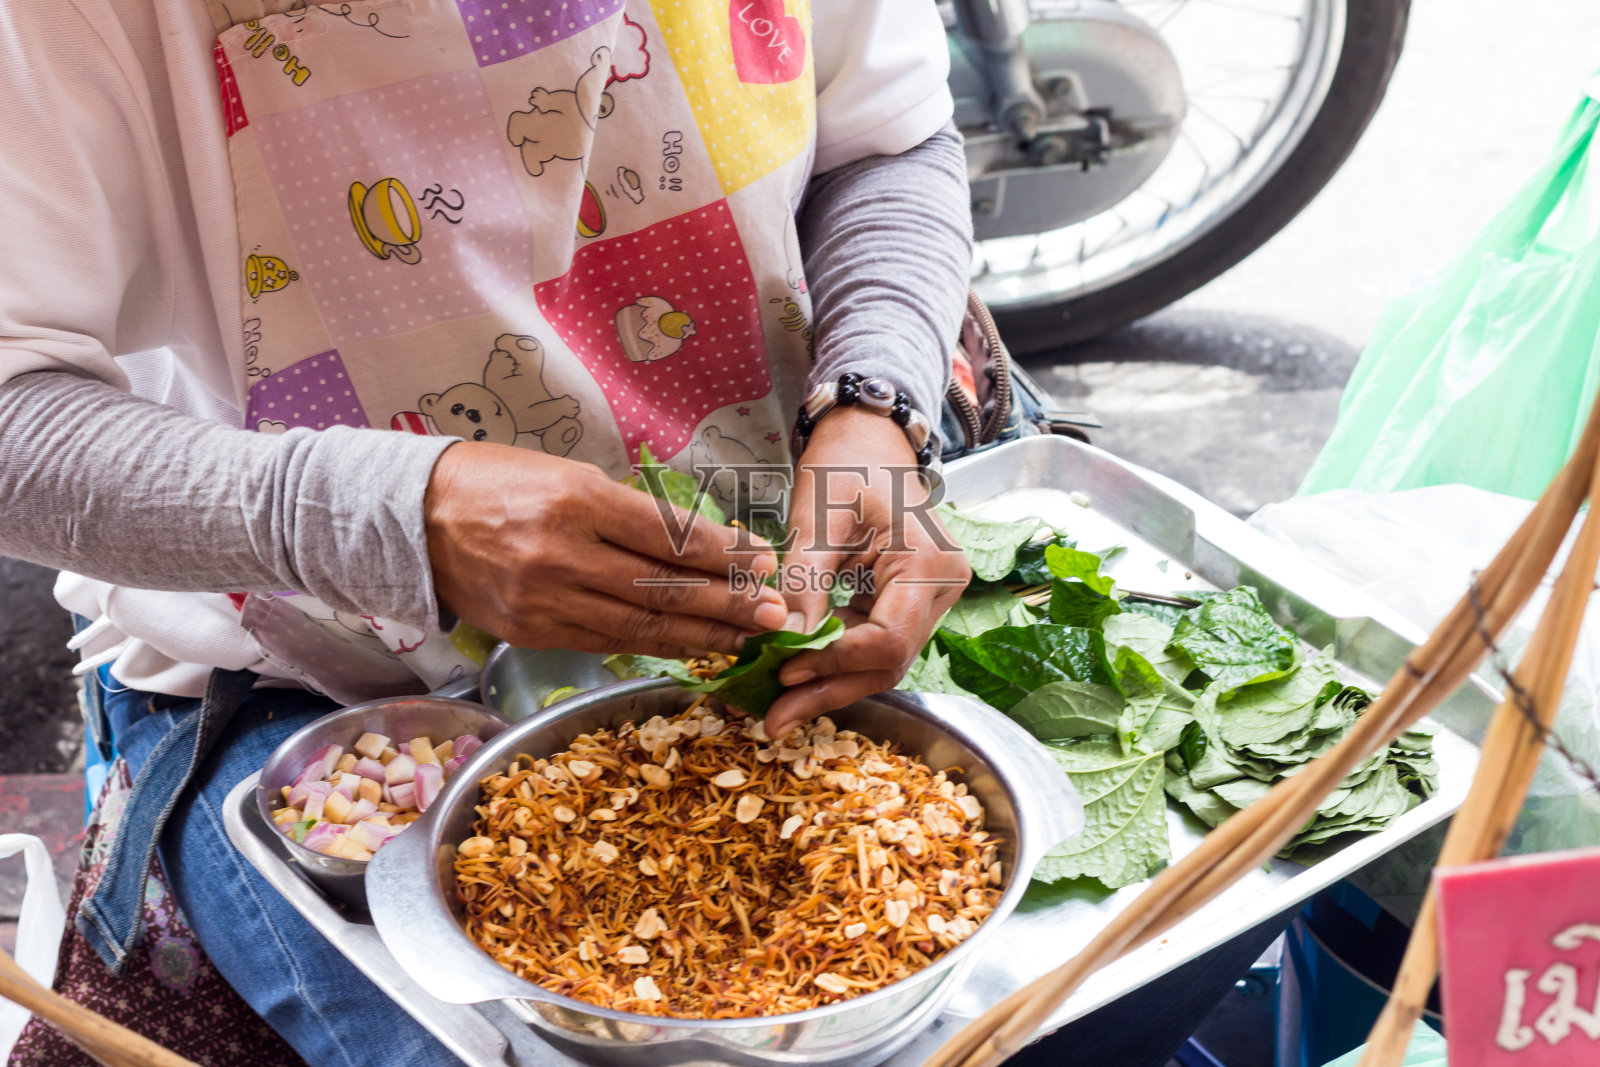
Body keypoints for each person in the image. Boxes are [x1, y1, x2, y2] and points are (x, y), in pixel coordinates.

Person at [0, 1, 1275, 1063]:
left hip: (775, 572)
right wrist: (401, 513)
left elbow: (882, 146)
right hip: (313, 669)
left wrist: (875, 404)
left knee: (1152, 957)